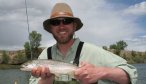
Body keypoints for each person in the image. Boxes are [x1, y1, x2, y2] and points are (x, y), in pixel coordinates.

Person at [29, 2, 137, 84]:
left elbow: (131, 74)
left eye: (66, 21)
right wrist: (45, 81)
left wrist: (100, 72)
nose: (61, 26)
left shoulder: (92, 51)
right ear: (51, 28)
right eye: (55, 22)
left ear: (74, 26)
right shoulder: (44, 55)